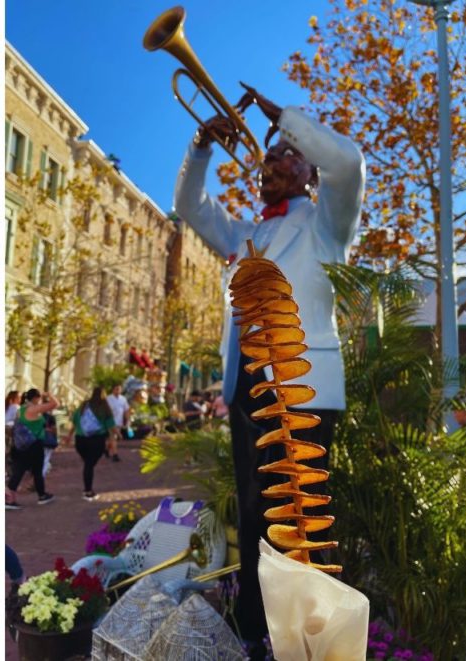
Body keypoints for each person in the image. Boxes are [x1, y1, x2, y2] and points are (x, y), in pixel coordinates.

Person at [172, 83, 363, 656]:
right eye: (268, 155)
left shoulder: (327, 224)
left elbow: (348, 162)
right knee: (257, 516)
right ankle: (258, 635)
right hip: (250, 386)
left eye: (286, 154)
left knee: (300, 519)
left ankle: (309, 640)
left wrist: (287, 120)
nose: (271, 161)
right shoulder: (246, 234)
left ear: (307, 171)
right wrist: (202, 145)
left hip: (302, 384)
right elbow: (188, 207)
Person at [8, 389, 59, 505]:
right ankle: (12, 499)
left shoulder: (21, 410)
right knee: (34, 471)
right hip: (34, 445)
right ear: (36, 398)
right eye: (39, 397)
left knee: (20, 470)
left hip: (22, 444)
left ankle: (39, 494)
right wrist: (49, 394)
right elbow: (56, 404)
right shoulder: (33, 409)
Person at [67, 388, 115, 501]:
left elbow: (74, 422)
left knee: (88, 464)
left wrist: (69, 436)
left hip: (80, 439)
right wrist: (111, 441)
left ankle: (88, 488)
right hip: (97, 440)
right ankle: (88, 491)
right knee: (89, 465)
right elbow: (110, 427)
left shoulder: (83, 406)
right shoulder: (104, 408)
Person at [106, 383, 130, 462]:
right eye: (116, 389)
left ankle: (106, 449)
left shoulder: (123, 399)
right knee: (113, 437)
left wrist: (127, 420)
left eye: (119, 389)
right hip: (110, 421)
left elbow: (126, 410)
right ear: (113, 389)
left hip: (119, 422)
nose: (118, 391)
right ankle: (115, 455)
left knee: (113, 438)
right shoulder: (108, 398)